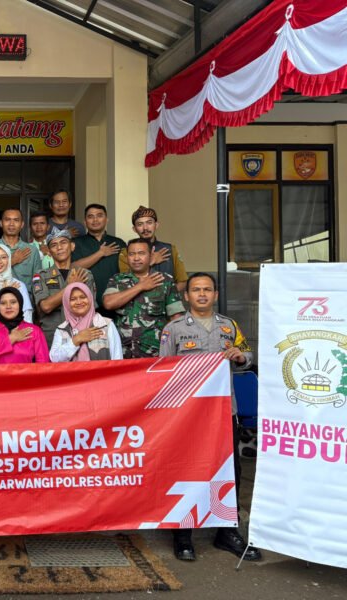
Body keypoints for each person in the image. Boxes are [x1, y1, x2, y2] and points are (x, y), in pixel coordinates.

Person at [159, 272, 262, 563]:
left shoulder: (229, 326)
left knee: (228, 471)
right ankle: (183, 533)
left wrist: (240, 357)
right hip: (187, 416)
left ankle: (226, 531)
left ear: (215, 295)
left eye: (207, 289)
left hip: (223, 412)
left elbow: (247, 354)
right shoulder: (173, 329)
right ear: (187, 296)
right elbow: (163, 372)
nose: (202, 294)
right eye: (196, 290)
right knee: (186, 470)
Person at [103, 239, 184, 358]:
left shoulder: (165, 280)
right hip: (122, 354)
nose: (136, 258)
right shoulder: (117, 280)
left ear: (151, 255)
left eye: (141, 253)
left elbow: (176, 319)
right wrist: (140, 286)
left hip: (155, 353)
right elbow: (108, 303)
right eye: (132, 254)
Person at [32, 230, 96, 346]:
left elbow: (90, 309)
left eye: (63, 242)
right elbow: (46, 306)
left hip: (81, 335)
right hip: (52, 337)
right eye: (54, 245)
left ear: (72, 246)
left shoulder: (84, 274)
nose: (59, 247)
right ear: (49, 251)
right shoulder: (41, 276)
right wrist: (70, 286)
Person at [117, 206, 188, 292]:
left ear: (156, 225)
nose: (145, 228)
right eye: (140, 224)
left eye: (149, 223)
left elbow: (182, 281)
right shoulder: (126, 252)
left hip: (167, 298)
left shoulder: (170, 249)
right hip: (138, 300)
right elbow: (124, 282)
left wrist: (166, 296)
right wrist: (150, 262)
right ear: (134, 229)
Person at [71, 204, 125, 317]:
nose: (95, 220)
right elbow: (72, 267)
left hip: (116, 302)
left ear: (107, 219)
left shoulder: (118, 243)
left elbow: (130, 271)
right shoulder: (76, 243)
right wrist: (100, 253)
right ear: (85, 222)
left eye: (99, 216)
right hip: (85, 304)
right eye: (90, 216)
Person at [49, 282, 122, 362]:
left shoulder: (106, 324)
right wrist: (76, 340)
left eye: (83, 297)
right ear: (66, 303)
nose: (79, 302)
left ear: (90, 298)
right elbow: (54, 359)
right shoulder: (62, 329)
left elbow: (117, 358)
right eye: (73, 299)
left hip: (102, 371)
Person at [0, 287, 49, 364]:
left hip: (27, 372)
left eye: (13, 302)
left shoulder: (34, 330)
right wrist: (12, 338)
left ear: (20, 304)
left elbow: (43, 363)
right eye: (3, 303)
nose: (8, 306)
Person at [0, 208, 42, 294]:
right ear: (1, 223)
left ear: (22, 224)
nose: (11, 224)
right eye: (7, 220)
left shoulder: (32, 250)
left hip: (25, 298)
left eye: (16, 220)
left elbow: (38, 282)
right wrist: (12, 261)